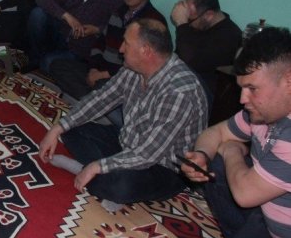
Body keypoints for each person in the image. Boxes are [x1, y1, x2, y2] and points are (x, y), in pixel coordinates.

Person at [180, 27, 291, 238]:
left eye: (252, 88)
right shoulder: (265, 111)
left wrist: (232, 151)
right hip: (269, 221)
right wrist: (201, 155)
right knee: (215, 164)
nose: (243, 98)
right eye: (241, 87)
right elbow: (214, 132)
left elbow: (245, 194)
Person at [39, 19, 208, 212]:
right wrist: (57, 128)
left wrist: (97, 166)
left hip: (163, 166)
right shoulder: (134, 69)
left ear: (146, 50)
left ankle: (91, 173)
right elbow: (101, 98)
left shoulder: (179, 92)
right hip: (129, 143)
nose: (120, 49)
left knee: (121, 186)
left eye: (126, 43)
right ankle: (101, 176)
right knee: (72, 130)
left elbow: (148, 153)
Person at [49, 0, 167, 103]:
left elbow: (141, 65)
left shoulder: (153, 21)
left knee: (104, 86)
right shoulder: (119, 12)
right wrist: (93, 69)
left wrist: (103, 75)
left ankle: (93, 100)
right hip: (100, 69)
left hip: (121, 78)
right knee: (56, 65)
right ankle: (94, 100)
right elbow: (100, 42)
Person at [26, 0, 123, 72]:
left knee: (47, 63)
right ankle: (36, 58)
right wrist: (67, 16)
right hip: (60, 36)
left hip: (80, 49)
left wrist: (97, 30)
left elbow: (123, 25)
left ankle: (48, 59)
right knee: (37, 14)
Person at [171, 0, 242, 97]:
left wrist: (181, 23)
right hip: (183, 84)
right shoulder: (202, 25)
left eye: (189, 19)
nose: (188, 24)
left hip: (202, 94)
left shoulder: (229, 37)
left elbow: (189, 62)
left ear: (209, 15)